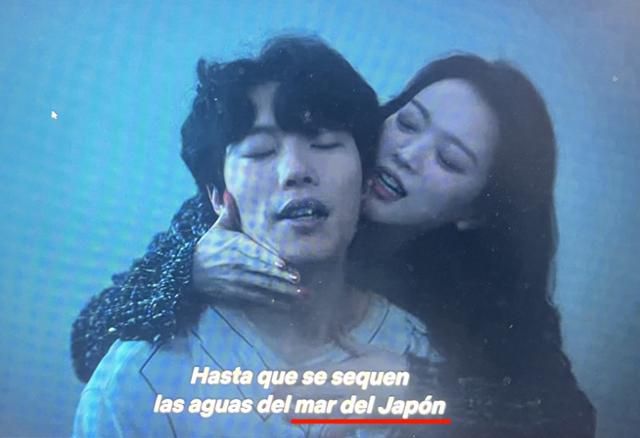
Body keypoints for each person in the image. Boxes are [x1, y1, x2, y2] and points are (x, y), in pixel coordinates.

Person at [71, 48, 595, 436]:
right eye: (409, 122)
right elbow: (92, 343)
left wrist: (431, 390)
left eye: (449, 159)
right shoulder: (234, 209)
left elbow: (568, 419)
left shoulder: (477, 297)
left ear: (476, 210)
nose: (408, 154)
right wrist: (188, 270)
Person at [73, 36, 435, 437]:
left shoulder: (423, 353)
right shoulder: (134, 385)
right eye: (261, 152)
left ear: (366, 179)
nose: (295, 170)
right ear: (217, 195)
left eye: (324, 143)